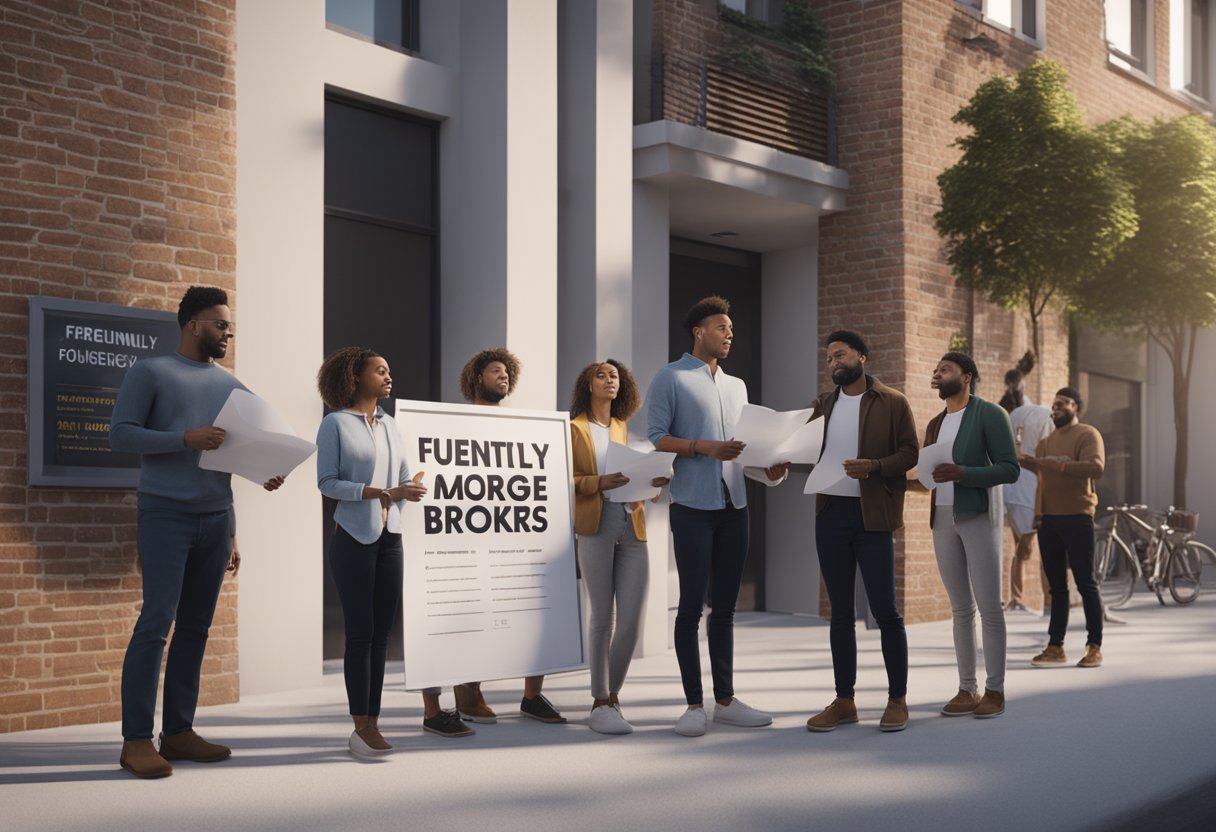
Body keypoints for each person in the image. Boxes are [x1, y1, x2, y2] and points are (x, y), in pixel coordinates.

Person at [110, 286, 286, 779]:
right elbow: (121, 433)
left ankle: (180, 732)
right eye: (220, 324)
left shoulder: (231, 384)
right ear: (194, 325)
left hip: (215, 517)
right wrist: (185, 438)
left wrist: (264, 476)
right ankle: (136, 740)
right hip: (165, 514)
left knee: (196, 627)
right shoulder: (150, 372)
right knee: (155, 623)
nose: (227, 332)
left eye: (229, 326)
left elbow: (247, 451)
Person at [316, 348, 473, 758]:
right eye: (379, 371)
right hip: (353, 537)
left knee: (383, 636)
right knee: (359, 634)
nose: (388, 376)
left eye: (389, 370)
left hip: (391, 537)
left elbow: (402, 477)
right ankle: (359, 725)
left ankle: (374, 722)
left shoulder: (390, 425)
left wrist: (410, 489)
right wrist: (382, 493)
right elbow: (327, 484)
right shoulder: (335, 424)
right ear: (356, 377)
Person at [646, 295, 786, 738]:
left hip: (735, 506)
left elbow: (742, 449)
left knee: (725, 609)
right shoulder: (670, 377)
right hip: (692, 506)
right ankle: (693, 704)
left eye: (731, 329)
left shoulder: (737, 386)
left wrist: (770, 470)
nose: (729, 334)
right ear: (698, 331)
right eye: (721, 327)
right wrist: (704, 447)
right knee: (691, 607)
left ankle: (724, 700)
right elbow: (655, 437)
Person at [804, 331, 918, 734]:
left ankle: (897, 699)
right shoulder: (822, 406)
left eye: (840, 354)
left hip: (872, 516)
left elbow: (909, 453)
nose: (833, 362)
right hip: (830, 513)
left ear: (862, 358)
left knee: (885, 610)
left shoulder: (892, 401)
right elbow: (810, 454)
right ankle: (844, 700)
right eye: (829, 357)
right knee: (840, 613)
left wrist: (873, 465)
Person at [452, 348, 566, 725]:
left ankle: (532, 697)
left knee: (531, 609)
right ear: (476, 379)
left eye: (506, 373)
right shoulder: (455, 421)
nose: (503, 377)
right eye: (495, 371)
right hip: (474, 527)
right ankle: (468, 693)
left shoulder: (520, 424)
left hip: (516, 525)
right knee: (474, 611)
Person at [569, 359, 668, 734]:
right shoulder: (574, 429)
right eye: (601, 374)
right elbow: (568, 478)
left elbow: (637, 476)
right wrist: (599, 482)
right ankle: (600, 700)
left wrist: (651, 485)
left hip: (633, 524)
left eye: (615, 376)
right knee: (601, 618)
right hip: (596, 525)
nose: (609, 379)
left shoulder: (626, 430)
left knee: (631, 619)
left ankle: (612, 697)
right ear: (588, 384)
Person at [924, 353, 1019, 719]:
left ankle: (995, 689)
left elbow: (1009, 469)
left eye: (944, 369)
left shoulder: (990, 414)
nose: (937, 374)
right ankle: (967, 688)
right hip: (943, 517)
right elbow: (932, 470)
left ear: (966, 376)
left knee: (990, 607)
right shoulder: (935, 422)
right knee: (961, 608)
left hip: (978, 513)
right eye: (935, 370)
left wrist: (964, 474)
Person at [1024, 387, 1106, 669]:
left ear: (1075, 406)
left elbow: (1095, 468)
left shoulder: (1087, 433)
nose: (1055, 408)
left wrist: (1057, 465)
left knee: (1086, 583)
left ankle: (1094, 646)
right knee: (1057, 587)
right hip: (1049, 520)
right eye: (1054, 404)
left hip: (1078, 516)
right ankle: (1055, 646)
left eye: (1062, 403)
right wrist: (1038, 515)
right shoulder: (1045, 442)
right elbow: (1042, 481)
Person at [1000, 362, 1056, 615]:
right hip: (1032, 490)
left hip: (1009, 490)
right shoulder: (1044, 415)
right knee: (1046, 549)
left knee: (1020, 549)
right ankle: (1049, 602)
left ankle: (1017, 598)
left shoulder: (1010, 416)